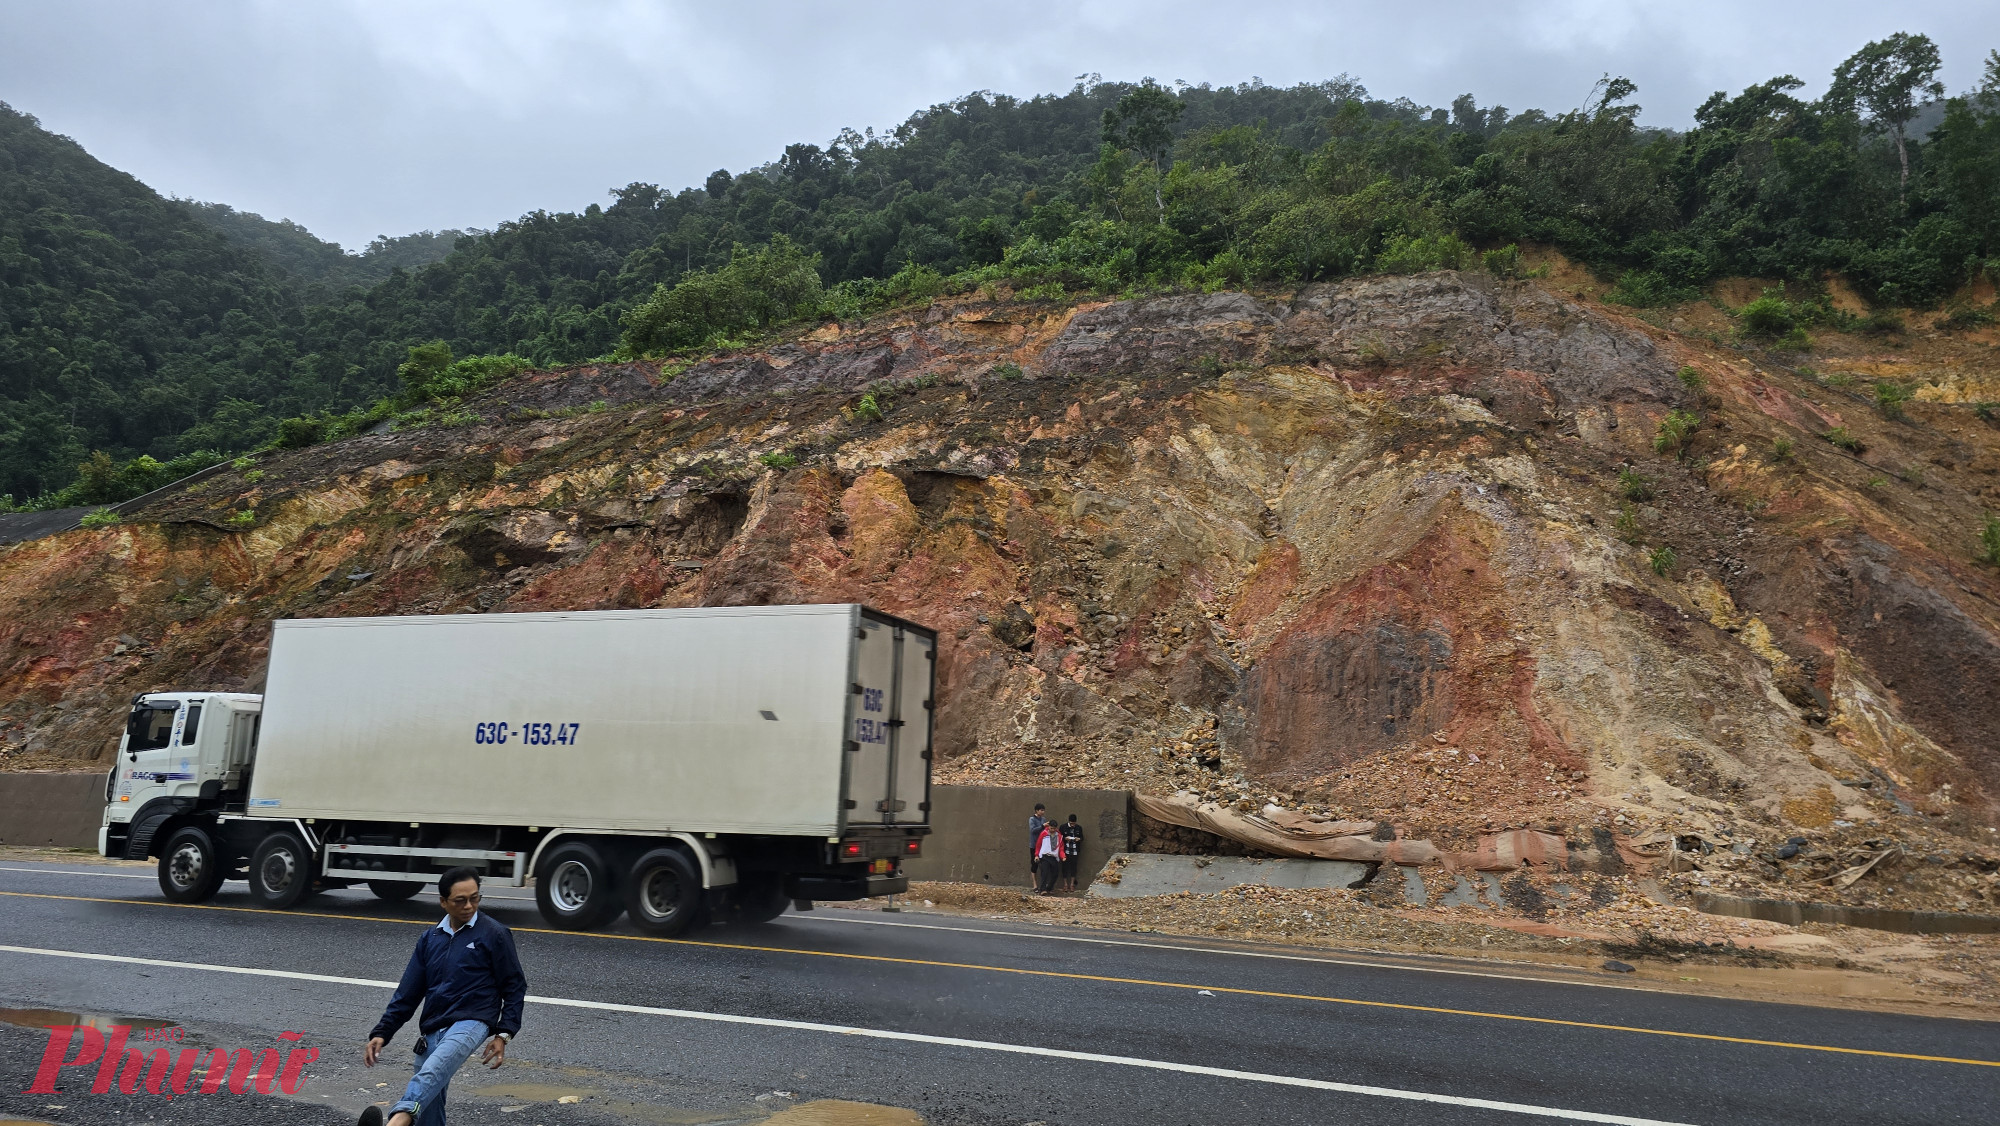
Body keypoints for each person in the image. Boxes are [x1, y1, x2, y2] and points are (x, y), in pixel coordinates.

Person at [359, 866, 527, 1126]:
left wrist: (504, 1033)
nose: (469, 906)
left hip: (472, 1021)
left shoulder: (494, 934)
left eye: (475, 898)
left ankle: (396, 1122)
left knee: (429, 1074)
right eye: (460, 900)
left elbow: (514, 985)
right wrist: (383, 1031)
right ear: (443, 902)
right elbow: (408, 991)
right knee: (430, 1105)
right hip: (433, 1028)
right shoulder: (430, 939)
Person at [1033, 818, 1065, 895]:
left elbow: (1061, 848)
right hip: (1045, 856)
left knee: (1055, 873)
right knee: (1045, 872)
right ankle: (1043, 889)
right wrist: (1036, 855)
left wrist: (1063, 856)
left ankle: (1049, 888)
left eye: (1054, 828)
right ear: (1049, 827)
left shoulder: (1059, 836)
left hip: (1054, 857)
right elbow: (1038, 845)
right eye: (1051, 828)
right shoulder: (1044, 834)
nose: (1052, 830)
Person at [1059, 814, 1084, 891]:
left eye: (1074, 823)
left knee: (1074, 867)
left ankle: (1072, 884)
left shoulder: (1079, 828)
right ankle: (1065, 884)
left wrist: (1078, 839)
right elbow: (1059, 837)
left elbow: (1082, 838)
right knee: (1065, 867)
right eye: (1071, 823)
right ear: (1069, 821)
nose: (1073, 825)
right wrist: (1065, 838)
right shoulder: (1063, 827)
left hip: (1075, 851)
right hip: (1065, 850)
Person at [1027, 803, 1047, 883]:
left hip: (1042, 846)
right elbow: (1033, 830)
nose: (1043, 812)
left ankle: (1043, 884)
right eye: (1041, 810)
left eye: (1043, 810)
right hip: (1034, 845)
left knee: (1043, 865)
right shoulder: (1032, 819)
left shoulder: (1043, 819)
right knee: (1034, 864)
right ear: (1036, 810)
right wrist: (1042, 826)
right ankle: (1034, 884)